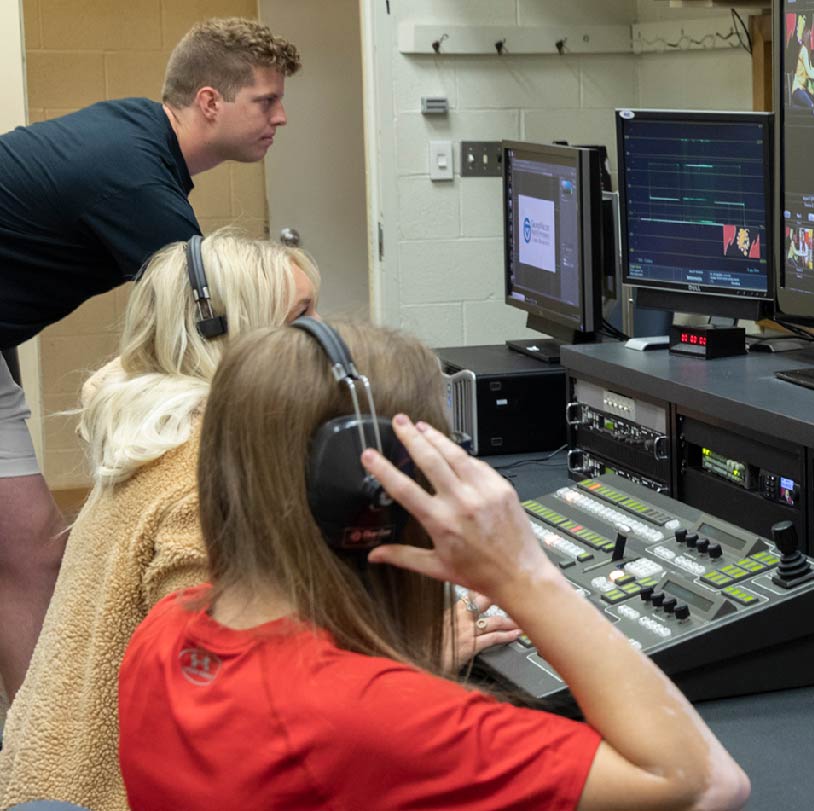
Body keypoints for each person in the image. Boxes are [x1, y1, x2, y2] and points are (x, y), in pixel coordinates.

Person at [118, 320, 751, 811]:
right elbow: (703, 785)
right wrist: (527, 576)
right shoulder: (367, 717)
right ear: (367, 494)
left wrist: (405, 667)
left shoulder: (162, 635)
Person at [0, 17, 299, 699]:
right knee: (30, 553)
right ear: (209, 102)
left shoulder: (133, 133)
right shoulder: (135, 179)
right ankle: (44, 753)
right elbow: (218, 330)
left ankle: (33, 747)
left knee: (29, 554)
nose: (281, 117)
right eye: (265, 101)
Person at [0, 232, 335, 811]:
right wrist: (405, 656)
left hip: (50, 773)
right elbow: (221, 699)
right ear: (236, 338)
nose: (326, 338)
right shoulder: (207, 479)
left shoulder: (154, 435)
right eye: (301, 317)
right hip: (110, 793)